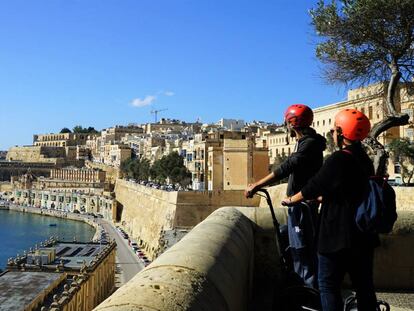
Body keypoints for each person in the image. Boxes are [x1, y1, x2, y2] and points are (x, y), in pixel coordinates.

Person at [281, 109, 379, 311]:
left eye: (334, 129)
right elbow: (347, 191)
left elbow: (313, 185)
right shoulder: (365, 160)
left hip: (336, 234)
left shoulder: (339, 159)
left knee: (328, 285)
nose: (332, 133)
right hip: (363, 235)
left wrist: (292, 199)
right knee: (364, 286)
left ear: (342, 133)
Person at [245, 104, 326, 288]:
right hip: (299, 205)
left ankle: (308, 293)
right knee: (290, 241)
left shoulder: (309, 143)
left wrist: (257, 185)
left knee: (301, 249)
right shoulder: (307, 142)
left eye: (287, 124)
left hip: (302, 205)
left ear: (292, 124)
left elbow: (287, 167)